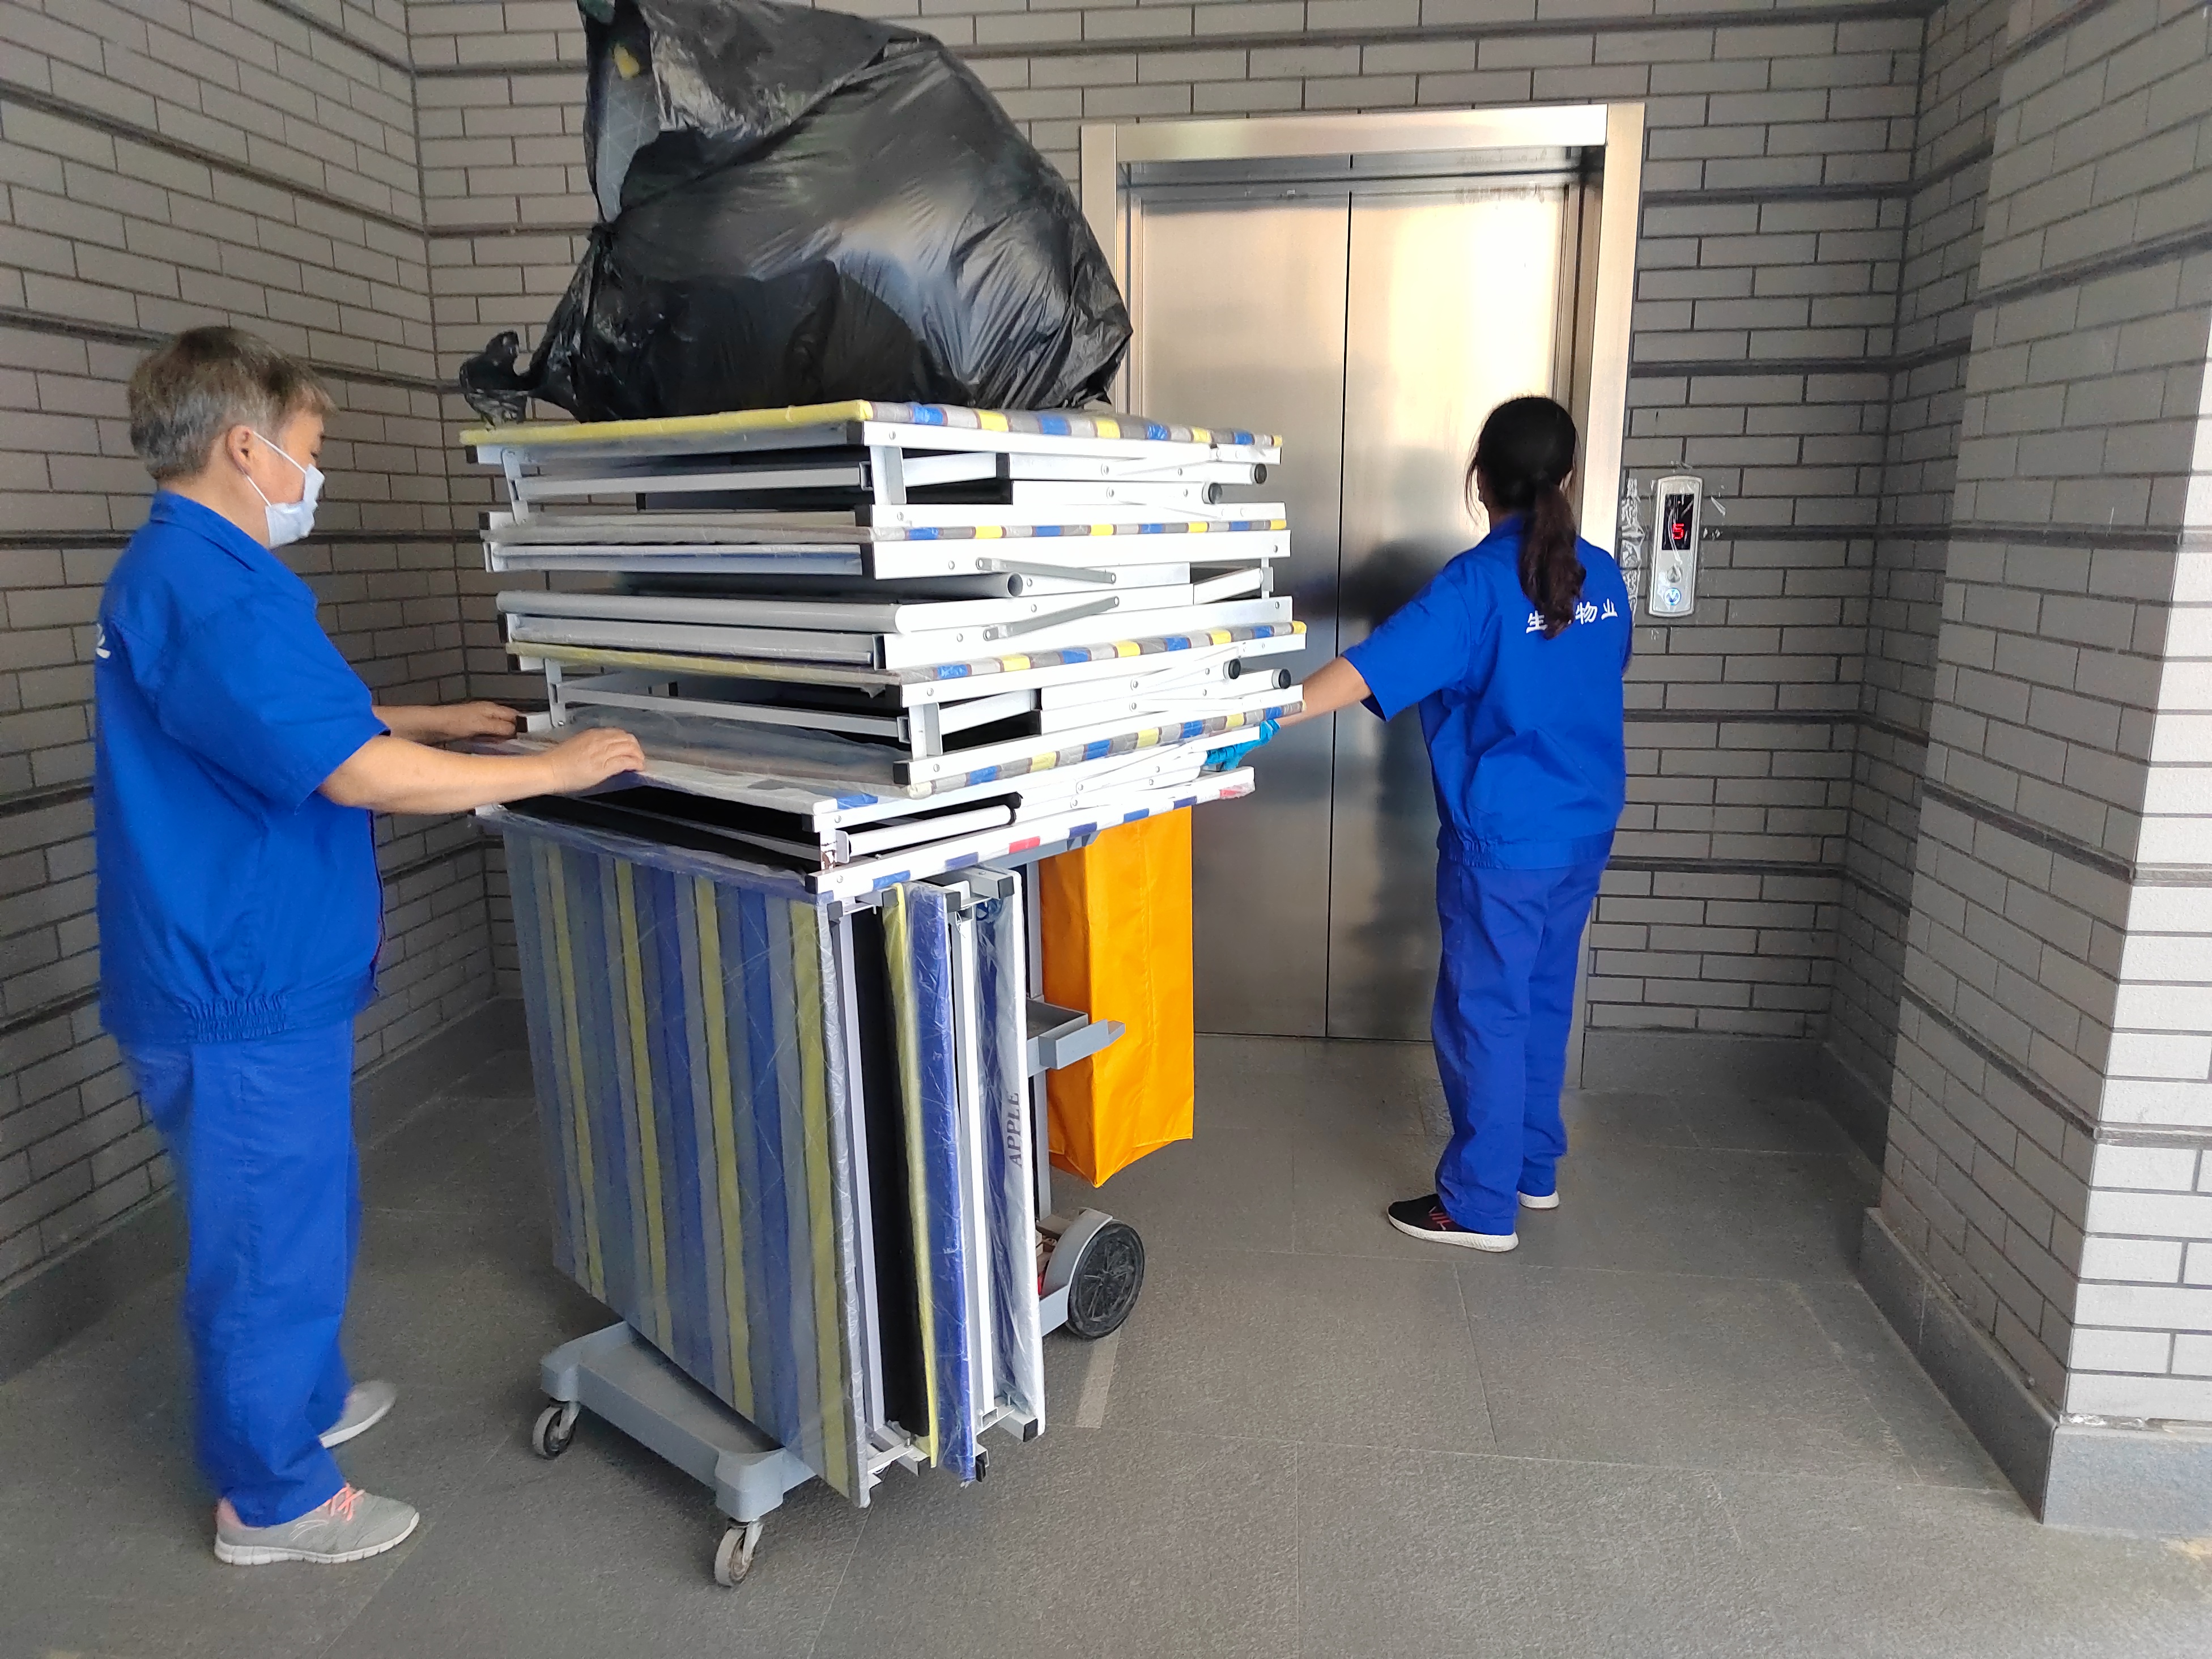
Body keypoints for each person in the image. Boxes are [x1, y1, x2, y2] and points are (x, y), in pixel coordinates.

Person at [96, 326, 646, 1567]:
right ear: (247, 449)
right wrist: (551, 770)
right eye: (309, 446)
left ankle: (300, 1400)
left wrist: (430, 718)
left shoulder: (192, 569)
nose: (315, 471)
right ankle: (271, 1500)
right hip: (234, 979)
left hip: (247, 965)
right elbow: (350, 772)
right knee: (265, 1245)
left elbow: (265, 719)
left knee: (300, 1211)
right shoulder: (210, 587)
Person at [1272, 395, 1631, 1252]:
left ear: (1481, 479)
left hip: (1504, 843)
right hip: (1582, 831)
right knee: (1542, 999)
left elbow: (1367, 670)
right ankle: (1533, 1170)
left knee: (1486, 1015)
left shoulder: (1477, 585)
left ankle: (1478, 1204)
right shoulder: (1605, 580)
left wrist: (1248, 717)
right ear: (1567, 476)